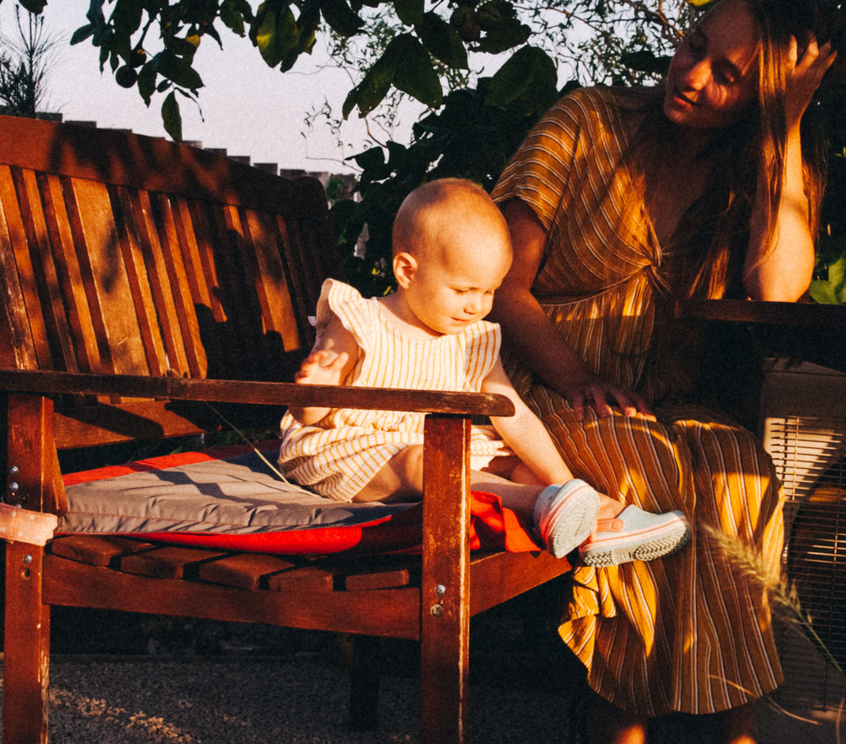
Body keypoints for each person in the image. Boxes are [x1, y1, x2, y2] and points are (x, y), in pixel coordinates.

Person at [492, 0, 846, 744]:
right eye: (695, 44)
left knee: (736, 474)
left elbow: (779, 289)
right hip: (548, 392)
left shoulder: (762, 169)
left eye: (730, 75)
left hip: (682, 402)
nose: (690, 74)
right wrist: (576, 374)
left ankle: (731, 737)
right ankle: (617, 722)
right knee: (643, 470)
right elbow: (500, 285)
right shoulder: (585, 122)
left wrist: (783, 132)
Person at [279, 178, 690, 566]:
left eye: (489, 290)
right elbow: (311, 413)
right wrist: (316, 393)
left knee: (522, 466)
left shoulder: (472, 339)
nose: (477, 305)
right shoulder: (358, 319)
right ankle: (547, 506)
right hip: (354, 453)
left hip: (442, 445)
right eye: (463, 290)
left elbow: (516, 418)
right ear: (407, 271)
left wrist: (567, 484)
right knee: (425, 462)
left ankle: (601, 518)